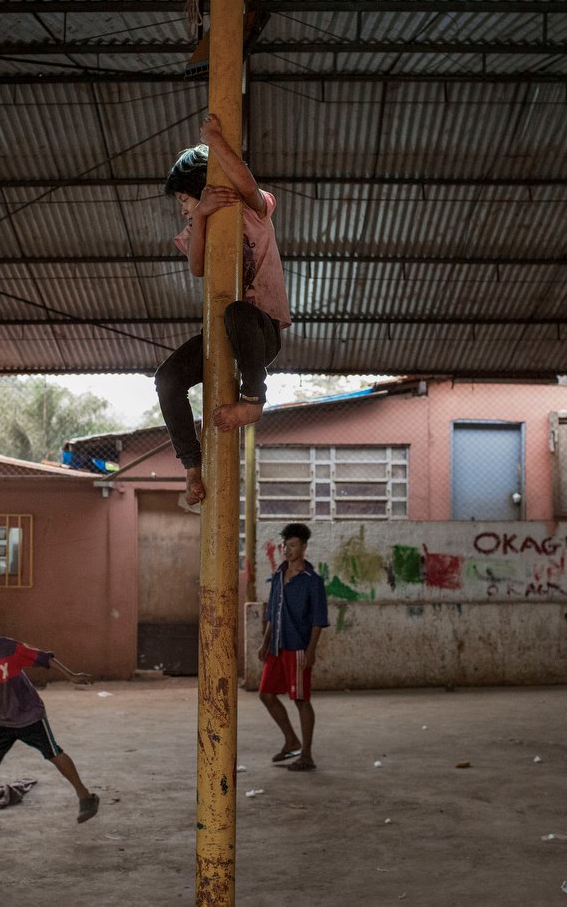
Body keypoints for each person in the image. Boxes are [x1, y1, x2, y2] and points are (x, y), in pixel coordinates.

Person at [156, 113, 290, 509]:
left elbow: (244, 181)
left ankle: (253, 401)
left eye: (185, 200)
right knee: (167, 379)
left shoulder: (252, 208)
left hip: (259, 332)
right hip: (220, 336)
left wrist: (214, 140)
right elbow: (197, 267)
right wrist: (200, 214)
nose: (184, 210)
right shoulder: (197, 226)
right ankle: (191, 464)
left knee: (237, 312)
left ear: (204, 187)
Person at [0, 613, 99, 834]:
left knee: (53, 752)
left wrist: (71, 676)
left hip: (29, 715)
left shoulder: (6, 648)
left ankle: (85, 796)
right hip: (0, 721)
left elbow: (43, 658)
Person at [257, 522, 329, 772]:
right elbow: (272, 611)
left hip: (298, 647)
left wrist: (311, 650)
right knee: (266, 694)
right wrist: (265, 642)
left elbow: (318, 619)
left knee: (300, 699)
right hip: (277, 646)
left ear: (304, 547)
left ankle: (306, 755)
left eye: (293, 546)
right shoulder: (278, 575)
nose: (288, 550)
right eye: (285, 546)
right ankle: (291, 740)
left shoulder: (312, 581)